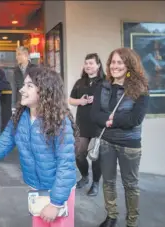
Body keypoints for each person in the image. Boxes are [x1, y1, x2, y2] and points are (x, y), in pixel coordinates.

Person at [0, 67, 77, 227]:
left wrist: (56, 204)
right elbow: (0, 147)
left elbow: (66, 165)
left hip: (59, 192)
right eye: (24, 85)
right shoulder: (19, 118)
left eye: (29, 86)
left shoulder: (60, 121)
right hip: (37, 189)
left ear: (45, 91)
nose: (22, 89)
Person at [91, 48, 149, 227]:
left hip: (129, 143)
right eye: (113, 62)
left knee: (130, 184)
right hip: (107, 141)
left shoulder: (141, 88)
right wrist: (109, 121)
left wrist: (109, 120)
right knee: (108, 181)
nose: (115, 66)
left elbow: (134, 119)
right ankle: (111, 215)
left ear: (129, 65)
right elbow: (94, 114)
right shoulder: (102, 85)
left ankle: (132, 221)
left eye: (119, 62)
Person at [69, 53, 105, 196]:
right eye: (86, 63)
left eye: (91, 63)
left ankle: (95, 183)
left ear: (98, 65)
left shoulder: (105, 82)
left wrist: (96, 100)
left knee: (96, 156)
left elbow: (110, 101)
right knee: (78, 153)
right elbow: (71, 100)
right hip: (82, 123)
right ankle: (84, 177)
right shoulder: (80, 82)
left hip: (98, 124)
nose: (88, 66)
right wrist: (81, 101)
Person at [11, 46, 37, 113]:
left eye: (18, 54)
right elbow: (14, 88)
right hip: (20, 103)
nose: (16, 57)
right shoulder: (15, 70)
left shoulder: (35, 68)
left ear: (25, 54)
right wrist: (13, 106)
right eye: (16, 55)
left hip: (33, 103)